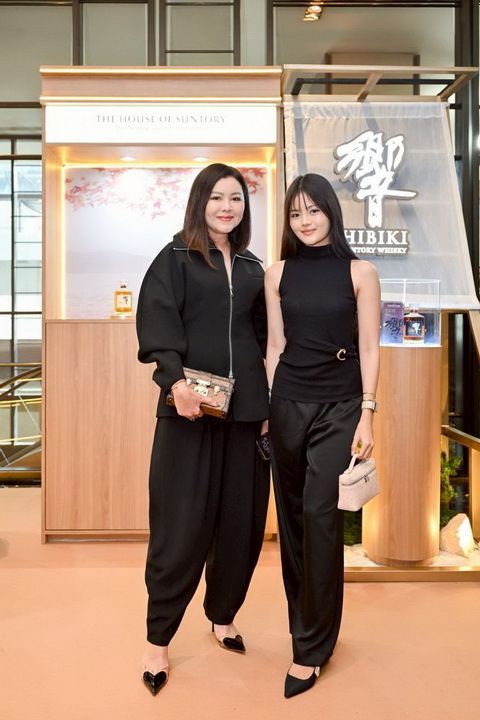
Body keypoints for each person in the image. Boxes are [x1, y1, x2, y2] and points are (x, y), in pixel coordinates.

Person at [136, 163, 270, 695]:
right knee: (181, 527)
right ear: (200, 203)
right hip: (189, 413)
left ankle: (222, 616)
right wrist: (175, 383)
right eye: (216, 197)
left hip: (246, 418)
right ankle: (157, 640)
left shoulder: (255, 267)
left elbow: (266, 340)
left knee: (240, 524)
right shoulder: (174, 258)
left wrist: (266, 404)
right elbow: (157, 323)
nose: (226, 207)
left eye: (235, 198)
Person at [265, 173, 380, 698]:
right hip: (287, 404)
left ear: (332, 211)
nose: (305, 221)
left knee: (319, 516)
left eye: (313, 210)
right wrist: (269, 410)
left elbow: (371, 348)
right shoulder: (278, 273)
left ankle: (310, 649)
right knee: (291, 520)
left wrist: (367, 414)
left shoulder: (360, 272)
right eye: (295, 214)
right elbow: (275, 346)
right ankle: (305, 625)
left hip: (340, 407)